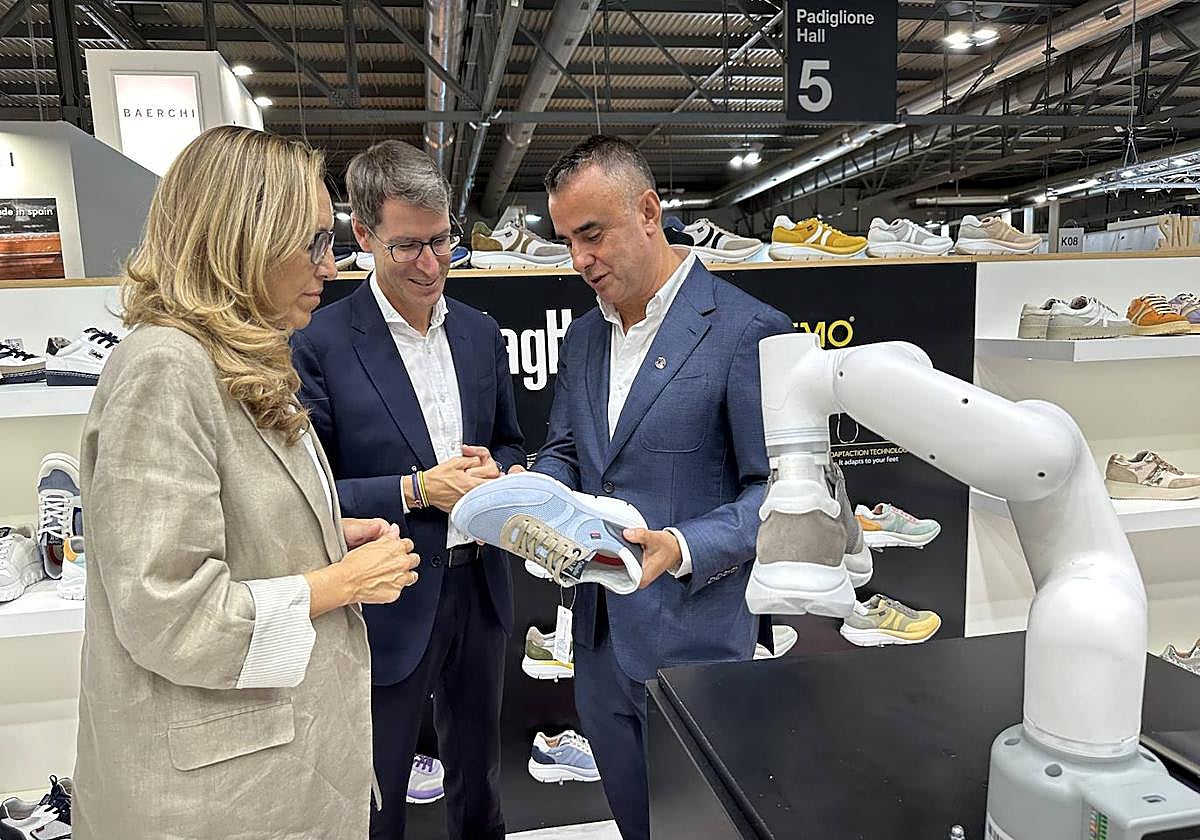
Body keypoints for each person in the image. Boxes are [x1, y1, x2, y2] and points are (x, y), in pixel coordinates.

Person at [74, 126, 421, 840]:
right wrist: (341, 583)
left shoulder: (234, 361)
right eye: (314, 242)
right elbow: (167, 610)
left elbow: (237, 520)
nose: (330, 266)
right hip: (214, 799)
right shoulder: (165, 368)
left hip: (267, 771)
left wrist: (323, 534)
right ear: (245, 238)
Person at [536, 135, 793, 840]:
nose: (580, 260)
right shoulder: (585, 337)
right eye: (566, 242)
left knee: (702, 827)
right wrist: (531, 496)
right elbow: (567, 448)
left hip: (697, 642)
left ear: (648, 211)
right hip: (597, 643)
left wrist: (680, 545)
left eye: (593, 234)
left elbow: (778, 494)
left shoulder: (748, 330)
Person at [292, 140, 524, 840]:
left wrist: (503, 474)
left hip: (480, 590)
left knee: (480, 778)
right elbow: (309, 495)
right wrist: (415, 489)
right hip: (382, 602)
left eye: (442, 240)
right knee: (376, 791)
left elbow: (511, 441)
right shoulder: (320, 343)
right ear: (361, 236)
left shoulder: (481, 335)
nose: (431, 265)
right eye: (407, 247)